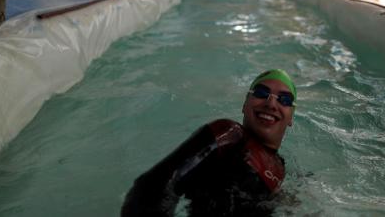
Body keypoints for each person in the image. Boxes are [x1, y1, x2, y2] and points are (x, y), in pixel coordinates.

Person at [121, 69, 297, 217]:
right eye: (261, 93)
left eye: (285, 100)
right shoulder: (228, 134)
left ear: (291, 117)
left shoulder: (280, 167)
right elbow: (153, 186)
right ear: (245, 104)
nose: (271, 103)